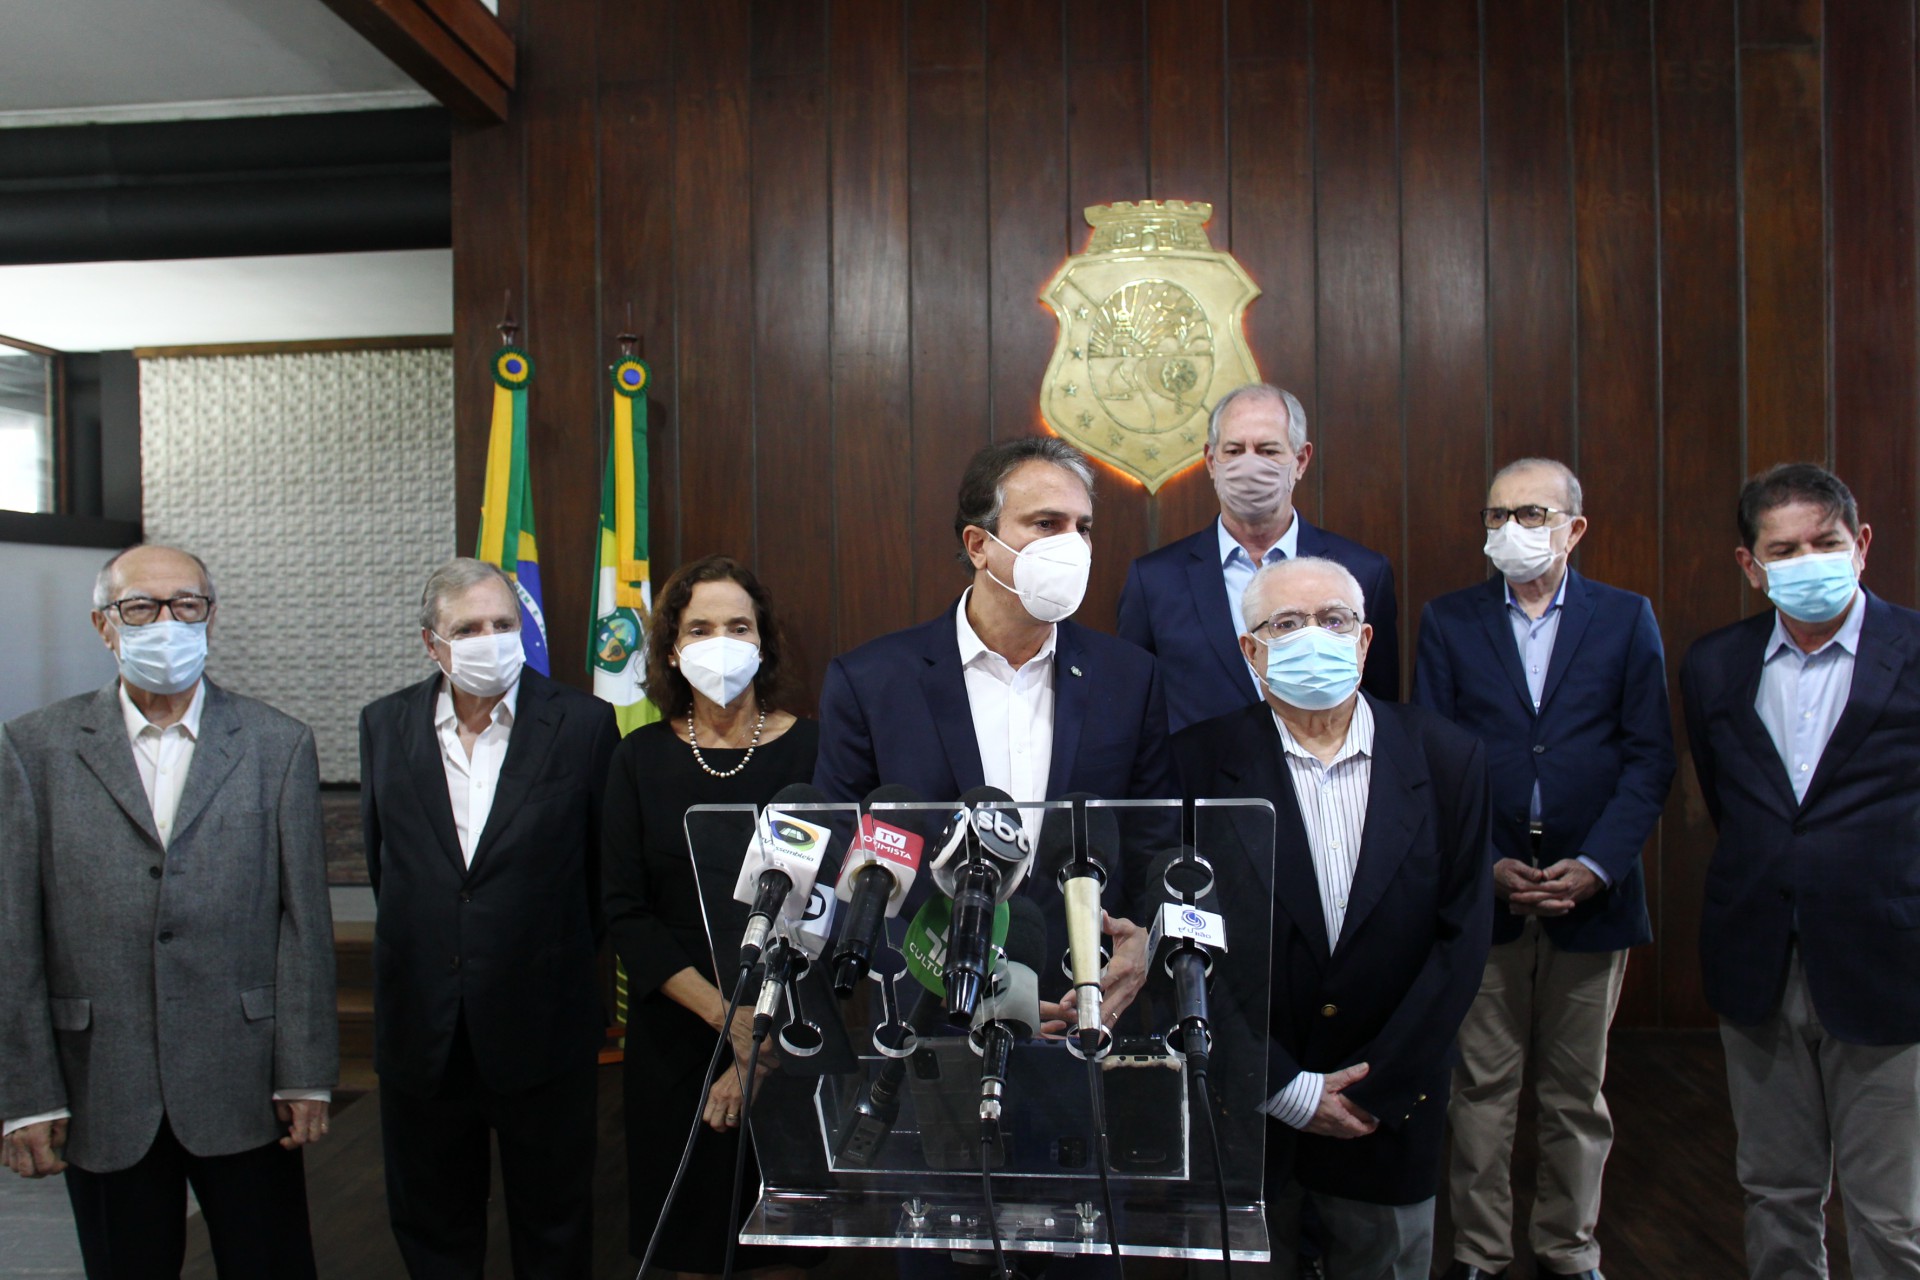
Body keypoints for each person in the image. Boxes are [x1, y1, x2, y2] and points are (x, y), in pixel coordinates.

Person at [0, 544, 336, 1279]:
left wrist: (306, 1073)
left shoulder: (277, 745)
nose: (167, 622)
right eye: (141, 607)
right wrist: (25, 1097)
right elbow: (14, 933)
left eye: (186, 605)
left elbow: (302, 924)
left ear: (210, 616)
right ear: (103, 625)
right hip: (102, 1086)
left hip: (245, 1084)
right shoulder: (35, 749)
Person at [1174, 555, 1491, 1280]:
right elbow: (1181, 943)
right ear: (1252, 652)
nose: (1314, 636)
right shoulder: (1196, 764)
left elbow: (1462, 939)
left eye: (1335, 620)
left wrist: (1378, 1091)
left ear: (1366, 640)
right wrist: (1281, 1084)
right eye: (1287, 624)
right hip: (1244, 1113)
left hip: (1388, 1116)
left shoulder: (1447, 757)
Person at [1413, 460, 1675, 1280]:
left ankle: (1569, 1251)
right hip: (1485, 895)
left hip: (1592, 897)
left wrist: (1598, 864)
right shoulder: (1449, 621)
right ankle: (1482, 1255)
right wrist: (1485, 863)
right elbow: (1431, 757)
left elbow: (1649, 759)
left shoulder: (1627, 619)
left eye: (1531, 514)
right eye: (1497, 516)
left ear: (1575, 528)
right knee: (1481, 1093)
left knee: (1575, 1095)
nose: (1511, 532)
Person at [813, 435, 1179, 1019]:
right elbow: (842, 850)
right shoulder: (873, 681)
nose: (1072, 546)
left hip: (1082, 998)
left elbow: (1152, 840)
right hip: (924, 1002)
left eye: (1082, 527)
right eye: (1046, 523)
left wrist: (1142, 942)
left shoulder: (1130, 678)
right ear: (979, 545)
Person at [1681, 463, 1920, 1280]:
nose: (1808, 560)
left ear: (1863, 546)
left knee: (1892, 1215)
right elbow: (1732, 802)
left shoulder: (1915, 650)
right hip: (1759, 960)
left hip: (1889, 963)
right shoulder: (1714, 665)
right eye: (1784, 549)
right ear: (1750, 565)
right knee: (1776, 1194)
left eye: (1826, 541)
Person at [358, 557, 618, 1280]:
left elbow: (600, 877)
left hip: (543, 1022)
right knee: (432, 1226)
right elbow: (392, 872)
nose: (489, 639)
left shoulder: (584, 725)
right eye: (467, 628)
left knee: (554, 1226)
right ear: (430, 644)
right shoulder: (383, 726)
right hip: (423, 1027)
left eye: (503, 624)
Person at [602, 555, 819, 1278]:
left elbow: (834, 906)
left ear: (763, 641)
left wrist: (761, 1039)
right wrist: (731, 1021)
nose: (720, 641)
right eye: (699, 628)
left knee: (787, 1252)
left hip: (794, 1040)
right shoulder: (637, 759)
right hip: (677, 1044)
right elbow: (624, 912)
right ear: (670, 647)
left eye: (737, 625)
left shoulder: (817, 752)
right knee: (688, 1250)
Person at [1119, 382, 1400, 733]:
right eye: (1234, 451)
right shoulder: (1155, 580)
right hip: (1201, 779)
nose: (1249, 464)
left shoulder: (1362, 571)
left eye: (1268, 451)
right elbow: (1131, 704)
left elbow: (1382, 705)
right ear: (1210, 460)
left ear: (1300, 460)